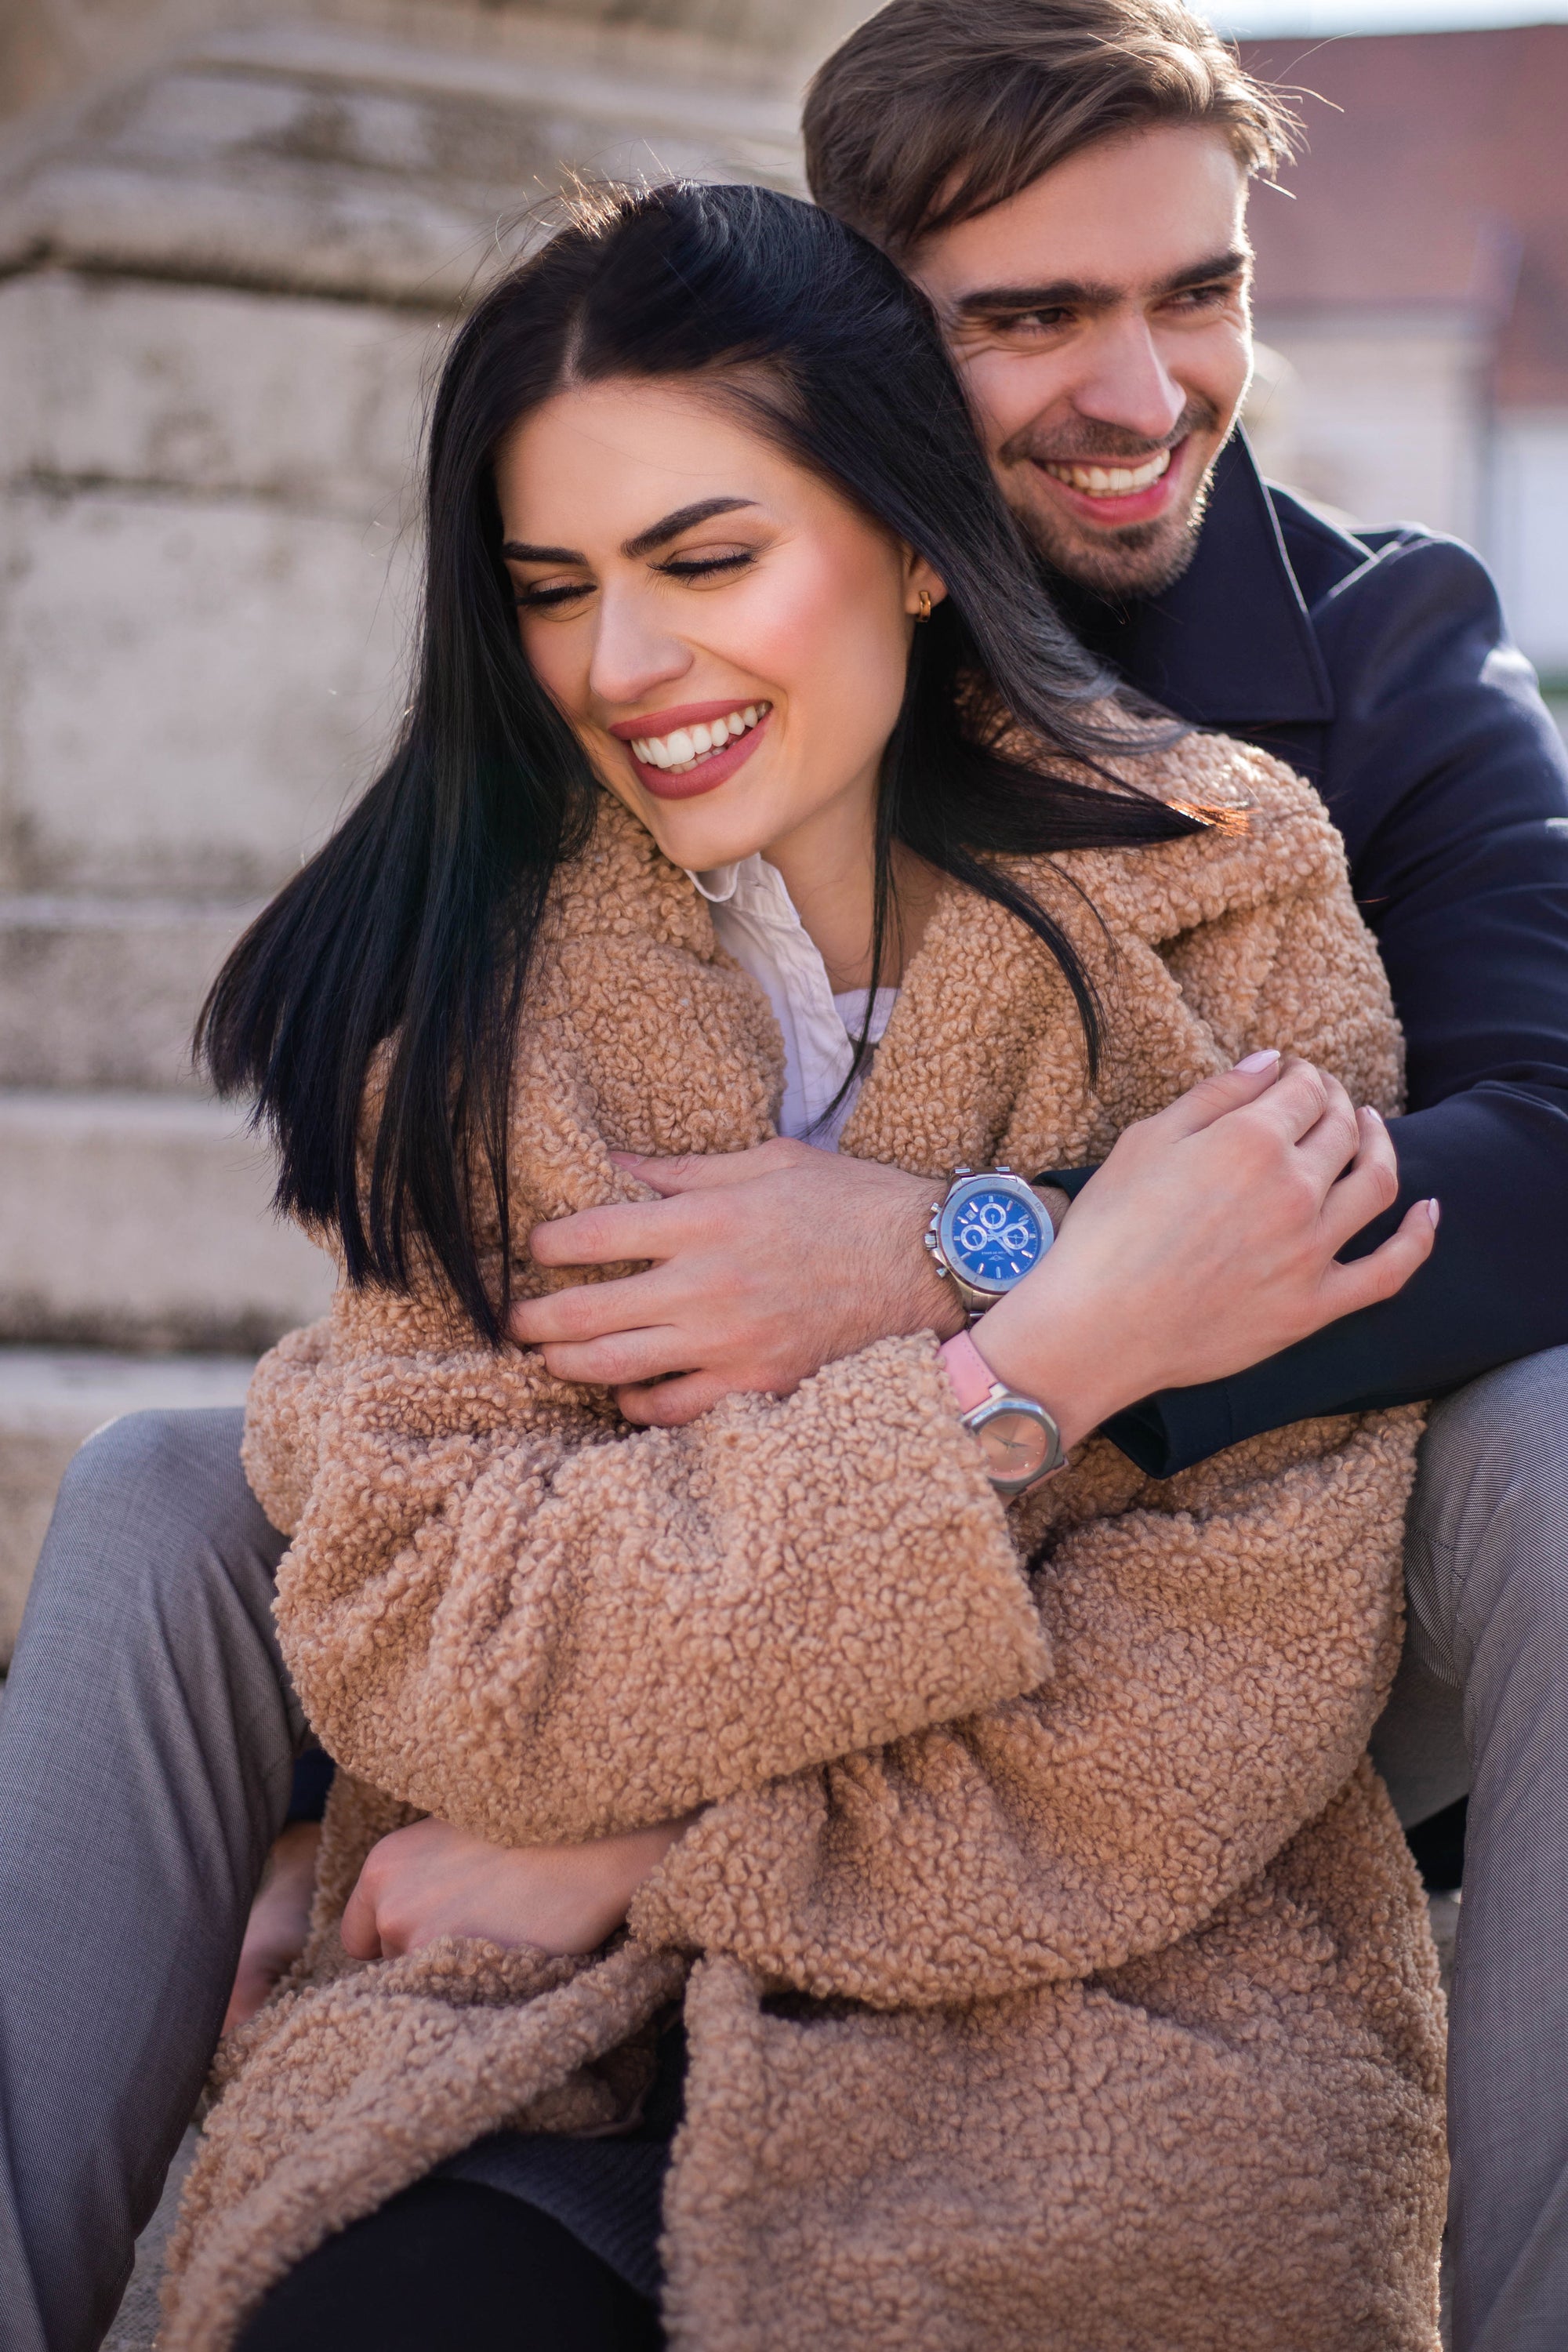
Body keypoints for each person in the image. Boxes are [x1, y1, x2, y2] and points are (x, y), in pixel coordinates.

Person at [0, 4, 1543, 2347]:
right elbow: (438, 1562)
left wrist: (980, 1277)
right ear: (855, 349)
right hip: (716, 1695)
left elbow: (1524, 1174)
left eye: (1200, 292)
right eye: (1032, 317)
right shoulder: (533, 892)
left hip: (1233, 1578)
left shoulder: (1322, 723)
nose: (1144, 398)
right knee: (154, 1499)